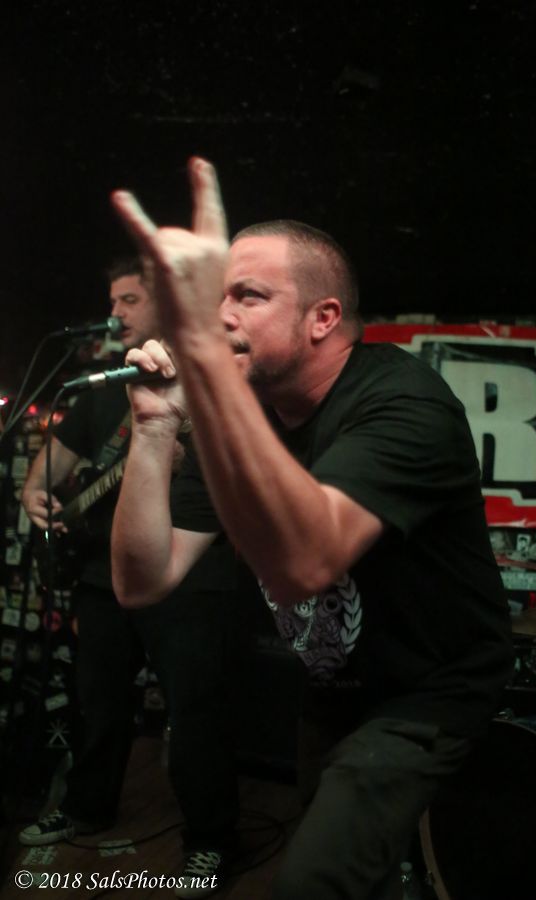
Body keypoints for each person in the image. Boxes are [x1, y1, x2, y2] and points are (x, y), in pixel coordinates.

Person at [110, 158, 514, 899]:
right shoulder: (244, 422)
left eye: (247, 295)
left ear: (322, 318)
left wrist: (201, 356)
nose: (220, 315)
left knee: (311, 882)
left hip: (431, 691)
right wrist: (156, 427)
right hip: (333, 689)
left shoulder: (402, 403)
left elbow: (306, 560)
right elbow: (141, 579)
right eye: (215, 297)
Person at [19, 257, 239, 898]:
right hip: (100, 572)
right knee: (98, 700)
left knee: (195, 709)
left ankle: (210, 838)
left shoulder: (208, 381)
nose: (114, 313)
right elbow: (53, 462)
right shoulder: (102, 385)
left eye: (128, 300)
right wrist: (36, 491)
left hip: (188, 574)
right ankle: (87, 805)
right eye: (111, 300)